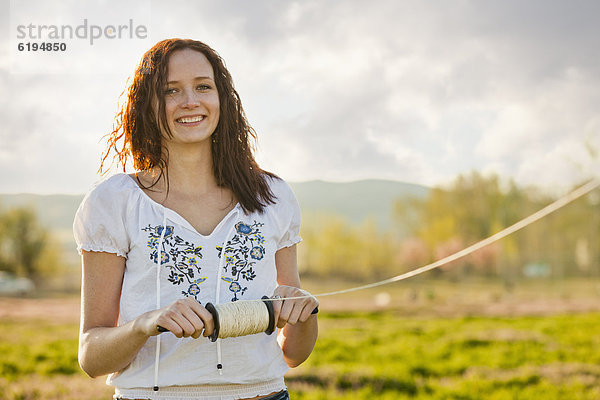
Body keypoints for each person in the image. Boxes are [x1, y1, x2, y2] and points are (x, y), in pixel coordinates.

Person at [73, 38, 319, 400]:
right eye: (171, 90)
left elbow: (294, 353)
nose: (191, 101)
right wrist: (145, 323)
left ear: (223, 99)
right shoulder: (114, 203)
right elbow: (92, 357)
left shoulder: (272, 196)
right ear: (147, 105)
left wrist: (305, 312)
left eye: (203, 86)